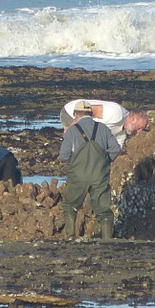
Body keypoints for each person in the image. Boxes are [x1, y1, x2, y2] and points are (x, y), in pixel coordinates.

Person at [58, 100, 121, 240]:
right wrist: (104, 162)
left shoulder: (72, 130)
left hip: (78, 175)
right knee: (103, 210)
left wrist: (75, 164)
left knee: (71, 206)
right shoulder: (103, 128)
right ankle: (107, 240)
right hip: (100, 174)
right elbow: (116, 149)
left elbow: (64, 155)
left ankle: (70, 236)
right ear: (91, 114)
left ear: (76, 114)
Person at [60, 99, 148, 148]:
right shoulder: (117, 113)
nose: (139, 132)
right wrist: (71, 128)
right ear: (133, 119)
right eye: (140, 127)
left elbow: (115, 150)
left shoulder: (121, 133)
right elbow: (88, 110)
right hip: (70, 113)